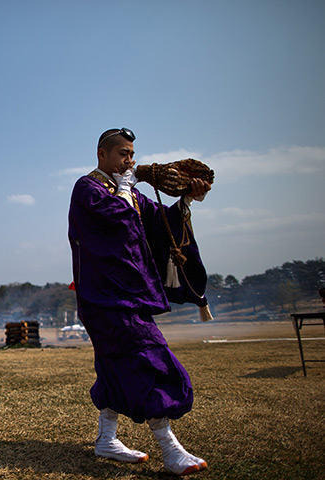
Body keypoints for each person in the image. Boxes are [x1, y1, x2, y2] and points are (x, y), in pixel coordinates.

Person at [68, 128, 212, 475]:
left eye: (132, 154)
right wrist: (128, 184)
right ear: (102, 154)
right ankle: (171, 449)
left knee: (116, 365)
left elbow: (160, 223)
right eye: (122, 154)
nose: (129, 161)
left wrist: (187, 199)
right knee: (150, 359)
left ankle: (106, 438)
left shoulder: (129, 192)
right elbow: (116, 215)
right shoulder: (87, 188)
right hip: (104, 296)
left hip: (131, 294)